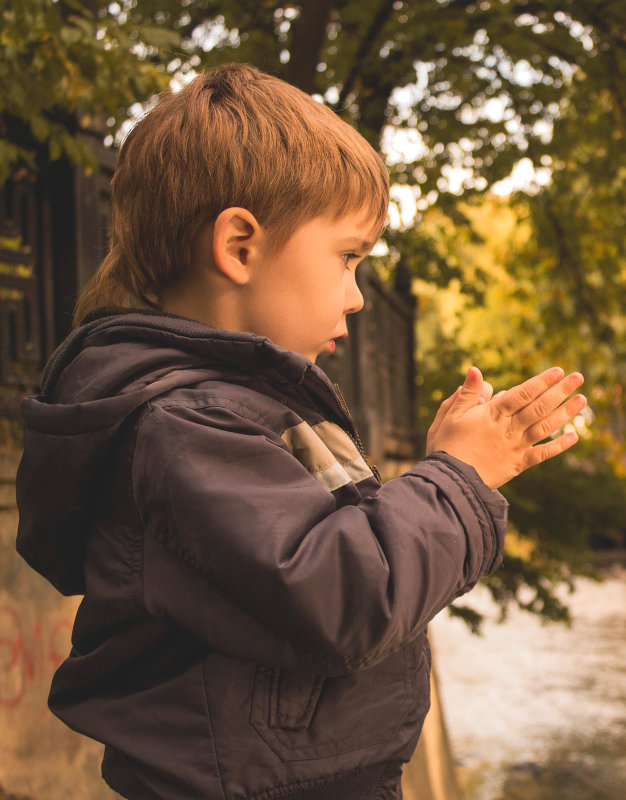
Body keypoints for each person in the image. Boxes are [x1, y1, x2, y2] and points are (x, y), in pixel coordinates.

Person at [14, 63, 586, 800]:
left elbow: (347, 551)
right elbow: (346, 595)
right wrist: (456, 477)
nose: (355, 298)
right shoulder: (186, 428)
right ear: (240, 246)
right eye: (348, 258)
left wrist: (441, 464)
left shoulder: (243, 408)